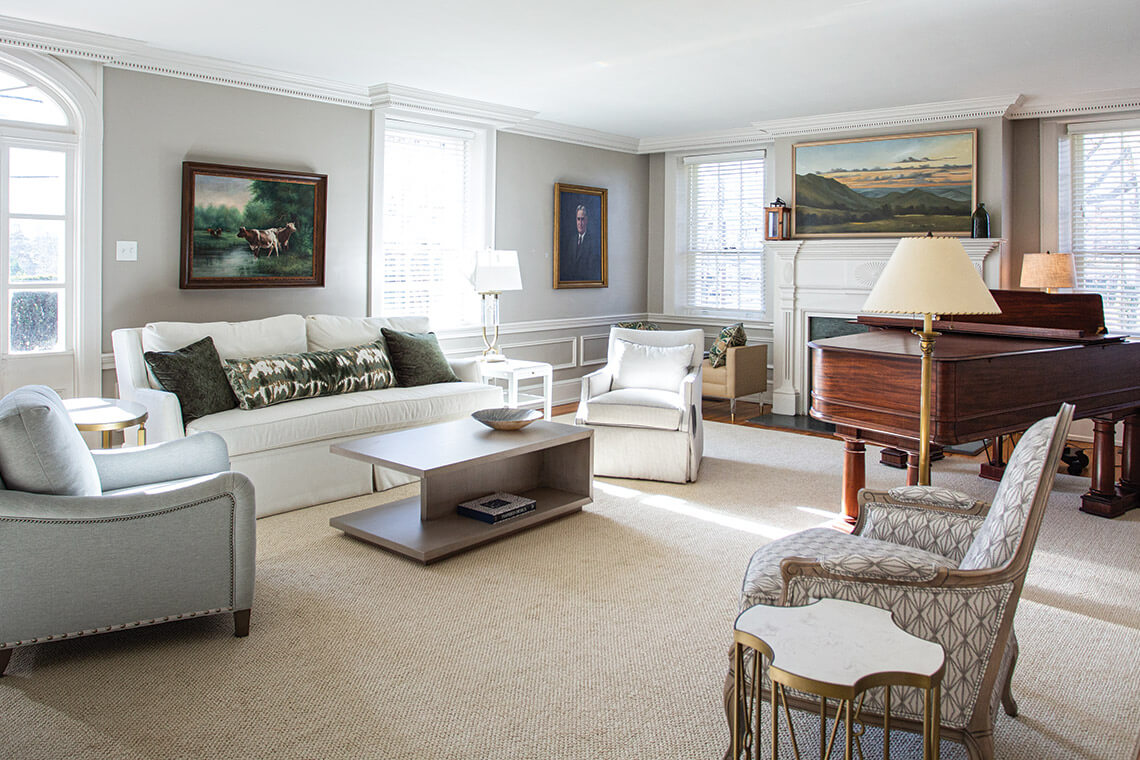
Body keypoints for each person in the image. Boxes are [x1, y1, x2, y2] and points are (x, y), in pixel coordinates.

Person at [560, 203, 600, 282]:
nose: (580, 223)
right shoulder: (571, 241)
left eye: (582, 219)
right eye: (578, 219)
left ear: (586, 220)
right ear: (576, 220)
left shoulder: (593, 242)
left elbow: (591, 270)